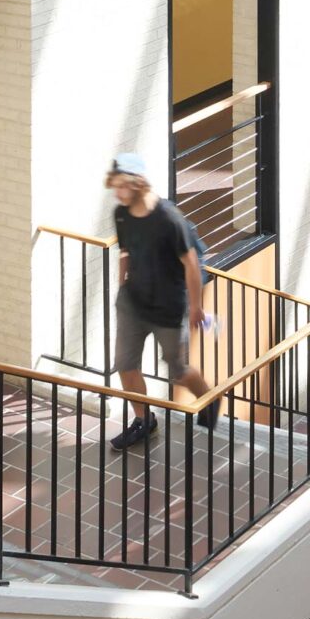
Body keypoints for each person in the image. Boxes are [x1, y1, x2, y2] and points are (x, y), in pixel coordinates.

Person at [104, 154, 217, 450]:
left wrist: (195, 307)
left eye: (120, 186)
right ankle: (143, 421)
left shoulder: (169, 219)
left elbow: (191, 265)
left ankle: (209, 400)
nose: (117, 193)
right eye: (114, 186)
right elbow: (125, 250)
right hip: (132, 303)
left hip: (168, 307)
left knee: (178, 369)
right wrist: (122, 286)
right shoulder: (121, 214)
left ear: (136, 183)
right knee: (125, 364)